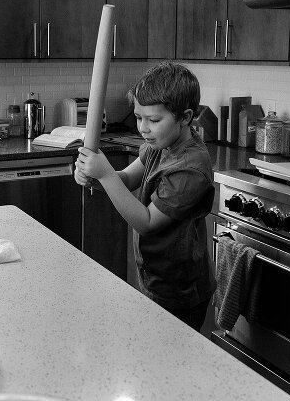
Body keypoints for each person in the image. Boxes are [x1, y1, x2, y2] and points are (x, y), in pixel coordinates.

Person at [74, 62, 214, 330]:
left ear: (185, 117)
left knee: (174, 361)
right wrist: (95, 176)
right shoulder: (160, 143)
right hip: (156, 275)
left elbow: (147, 222)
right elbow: (125, 179)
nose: (143, 128)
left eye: (154, 120)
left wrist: (104, 175)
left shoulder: (191, 167)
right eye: (138, 117)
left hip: (180, 288)